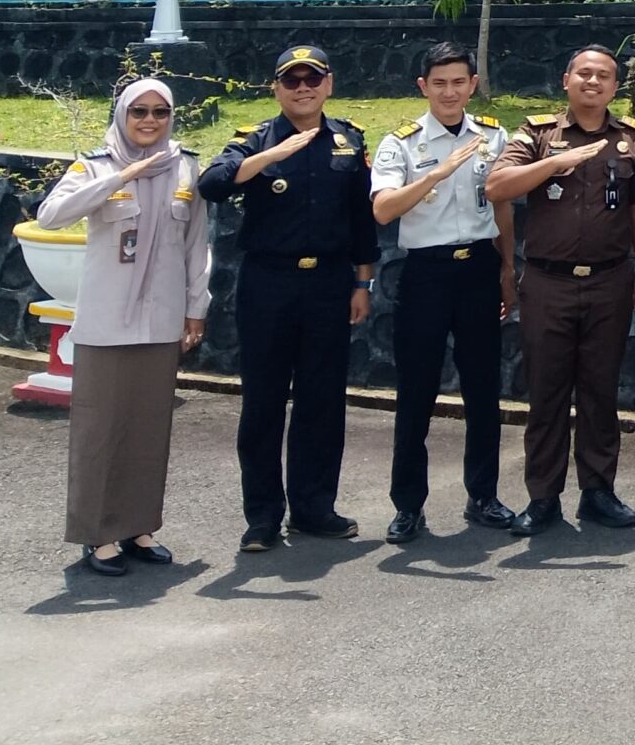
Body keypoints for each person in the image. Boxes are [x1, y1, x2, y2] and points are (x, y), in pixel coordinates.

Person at [198, 44, 378, 553]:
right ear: (276, 88)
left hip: (328, 284)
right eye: (292, 81)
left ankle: (313, 508)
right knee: (263, 402)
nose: (303, 89)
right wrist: (269, 157)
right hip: (268, 284)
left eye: (312, 79)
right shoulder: (254, 139)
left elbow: (361, 221)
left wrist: (363, 283)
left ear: (329, 84)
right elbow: (211, 184)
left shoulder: (348, 140)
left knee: (322, 399)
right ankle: (262, 517)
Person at [36, 78, 209, 576]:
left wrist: (196, 307)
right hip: (107, 321)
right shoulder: (94, 165)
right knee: (100, 431)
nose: (150, 120)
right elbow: (51, 216)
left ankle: (139, 528)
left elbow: (197, 243)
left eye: (160, 112)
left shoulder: (185, 166)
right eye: (139, 112)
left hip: (161, 319)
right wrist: (121, 176)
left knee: (148, 430)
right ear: (122, 115)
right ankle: (99, 534)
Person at [485, 44, 635, 535]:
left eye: (603, 75)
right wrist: (555, 163)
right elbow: (497, 187)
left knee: (601, 391)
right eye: (583, 73)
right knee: (547, 393)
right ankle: (543, 498)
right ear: (566, 80)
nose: (592, 82)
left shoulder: (632, 139)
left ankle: (598, 492)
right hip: (548, 282)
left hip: (609, 280)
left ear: (615, 87)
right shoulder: (538, 133)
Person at [369, 41, 517, 545]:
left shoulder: (494, 137)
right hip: (426, 274)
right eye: (439, 83)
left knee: (483, 389)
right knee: (416, 393)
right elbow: (384, 210)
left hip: (478, 268)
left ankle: (484, 496)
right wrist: (437, 172)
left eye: (458, 82)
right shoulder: (401, 144)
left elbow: (502, 208)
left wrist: (507, 268)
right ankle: (408, 505)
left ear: (472, 85)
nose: (449, 92)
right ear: (423, 87)